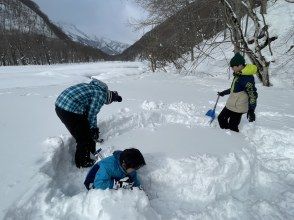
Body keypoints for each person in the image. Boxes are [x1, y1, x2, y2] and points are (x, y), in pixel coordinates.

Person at [55, 79, 122, 168]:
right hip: (69, 110)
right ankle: (83, 162)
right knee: (83, 137)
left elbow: (88, 111)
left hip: (60, 104)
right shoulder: (101, 95)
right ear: (107, 99)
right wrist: (93, 129)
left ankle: (90, 152)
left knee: (84, 130)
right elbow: (91, 114)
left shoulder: (95, 87)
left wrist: (91, 129)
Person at [217, 52, 258, 132]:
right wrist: (223, 93)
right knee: (221, 118)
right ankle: (223, 135)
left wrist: (251, 110)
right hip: (231, 104)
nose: (232, 68)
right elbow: (234, 89)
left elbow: (252, 95)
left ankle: (234, 141)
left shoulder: (247, 78)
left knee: (233, 126)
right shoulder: (238, 74)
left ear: (240, 65)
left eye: (233, 67)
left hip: (239, 107)